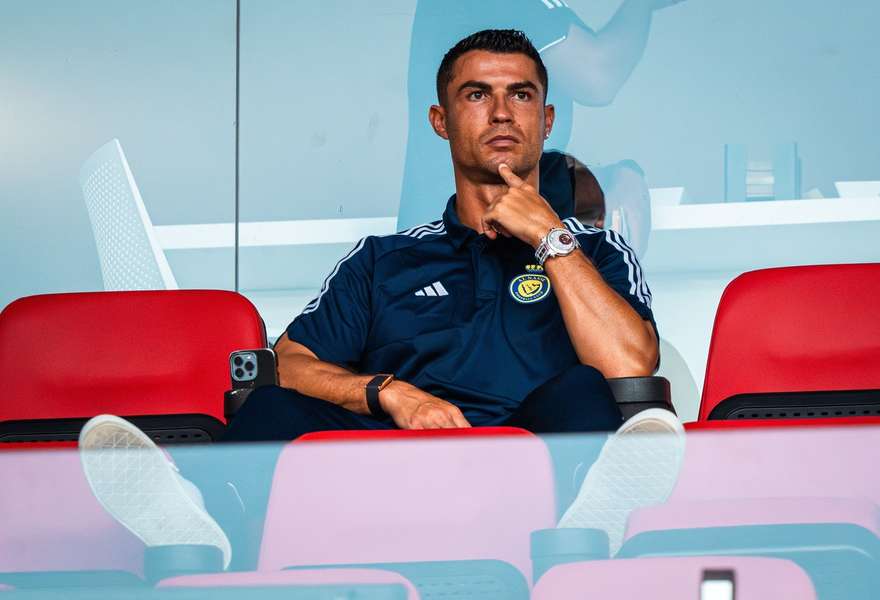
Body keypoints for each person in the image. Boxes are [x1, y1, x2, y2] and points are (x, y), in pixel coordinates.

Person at [79, 29, 684, 570]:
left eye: (520, 95)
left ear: (547, 120)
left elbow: (629, 365)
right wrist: (386, 391)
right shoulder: (383, 260)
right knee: (272, 407)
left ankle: (590, 520)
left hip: (530, 464)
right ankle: (197, 518)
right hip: (391, 461)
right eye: (477, 95)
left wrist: (549, 236)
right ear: (440, 120)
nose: (501, 112)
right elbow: (289, 362)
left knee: (582, 389)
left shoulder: (593, 250)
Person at [398, 0, 686, 230]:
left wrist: (614, 181)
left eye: (521, 95)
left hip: (457, 229)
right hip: (461, 240)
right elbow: (598, 77)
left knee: (621, 184)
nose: (502, 112)